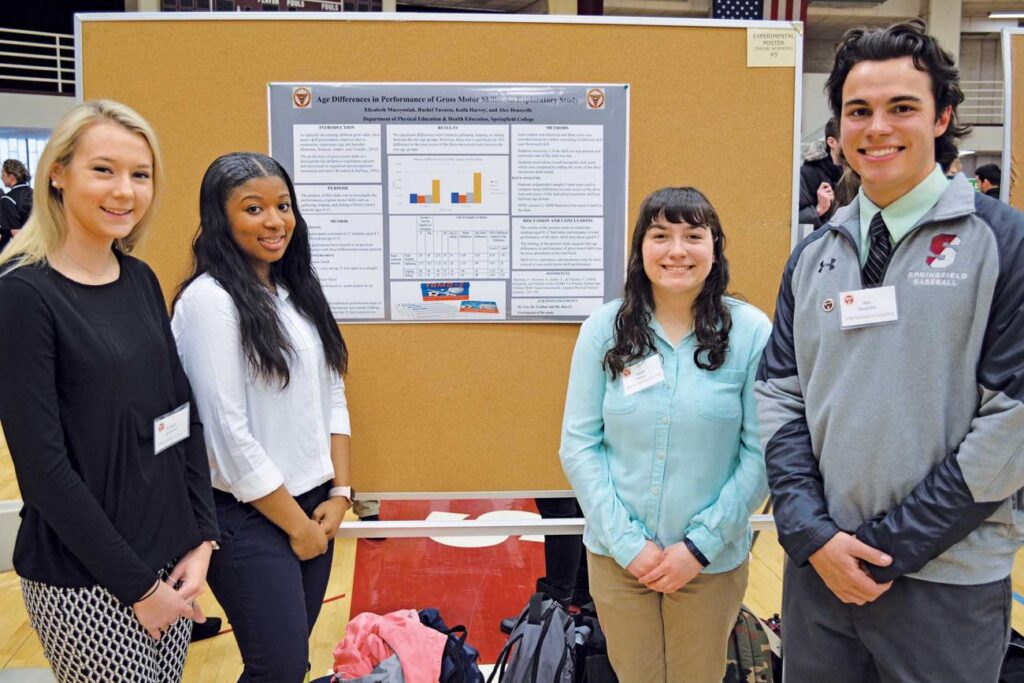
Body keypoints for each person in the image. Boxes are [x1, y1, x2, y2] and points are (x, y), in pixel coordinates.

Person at [756, 20, 1024, 683]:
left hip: (947, 582)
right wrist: (811, 533)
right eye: (859, 111)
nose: (878, 127)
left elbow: (1011, 421)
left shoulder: (1004, 243)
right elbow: (779, 395)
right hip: (821, 576)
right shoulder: (813, 254)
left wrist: (885, 547)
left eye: (901, 107)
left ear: (944, 118)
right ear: (838, 129)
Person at [0, 100, 219, 682]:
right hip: (85, 580)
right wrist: (139, 588)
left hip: (171, 563)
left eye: (140, 175)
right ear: (57, 172)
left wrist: (201, 540)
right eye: (104, 169)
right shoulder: (24, 298)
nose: (124, 190)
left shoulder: (140, 279)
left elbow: (181, 417)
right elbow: (44, 472)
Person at [560, 186, 771, 682]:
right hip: (619, 560)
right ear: (640, 249)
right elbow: (579, 445)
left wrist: (698, 546)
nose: (677, 250)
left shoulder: (750, 333)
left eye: (693, 235)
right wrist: (628, 544)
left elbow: (761, 454)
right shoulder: (603, 330)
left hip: (709, 563)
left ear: (715, 248)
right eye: (661, 235)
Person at [172, 151, 353, 683]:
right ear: (219, 218)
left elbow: (334, 399)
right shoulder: (209, 301)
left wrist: (340, 496)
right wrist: (298, 529)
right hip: (247, 514)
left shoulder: (298, 295)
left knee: (288, 661)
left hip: (314, 505)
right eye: (254, 209)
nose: (275, 222)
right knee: (279, 665)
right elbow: (227, 434)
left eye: (284, 206)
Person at [799, 117, 843, 228]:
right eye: (847, 138)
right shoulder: (807, 174)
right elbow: (790, 223)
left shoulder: (860, 174)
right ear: (831, 142)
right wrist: (820, 209)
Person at [0, 158, 32, 252]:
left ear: (11, 176)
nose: (1, 177)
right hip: (41, 249)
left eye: (3, 174)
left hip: (23, 253)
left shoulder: (8, 199)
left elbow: (17, 234)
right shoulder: (37, 194)